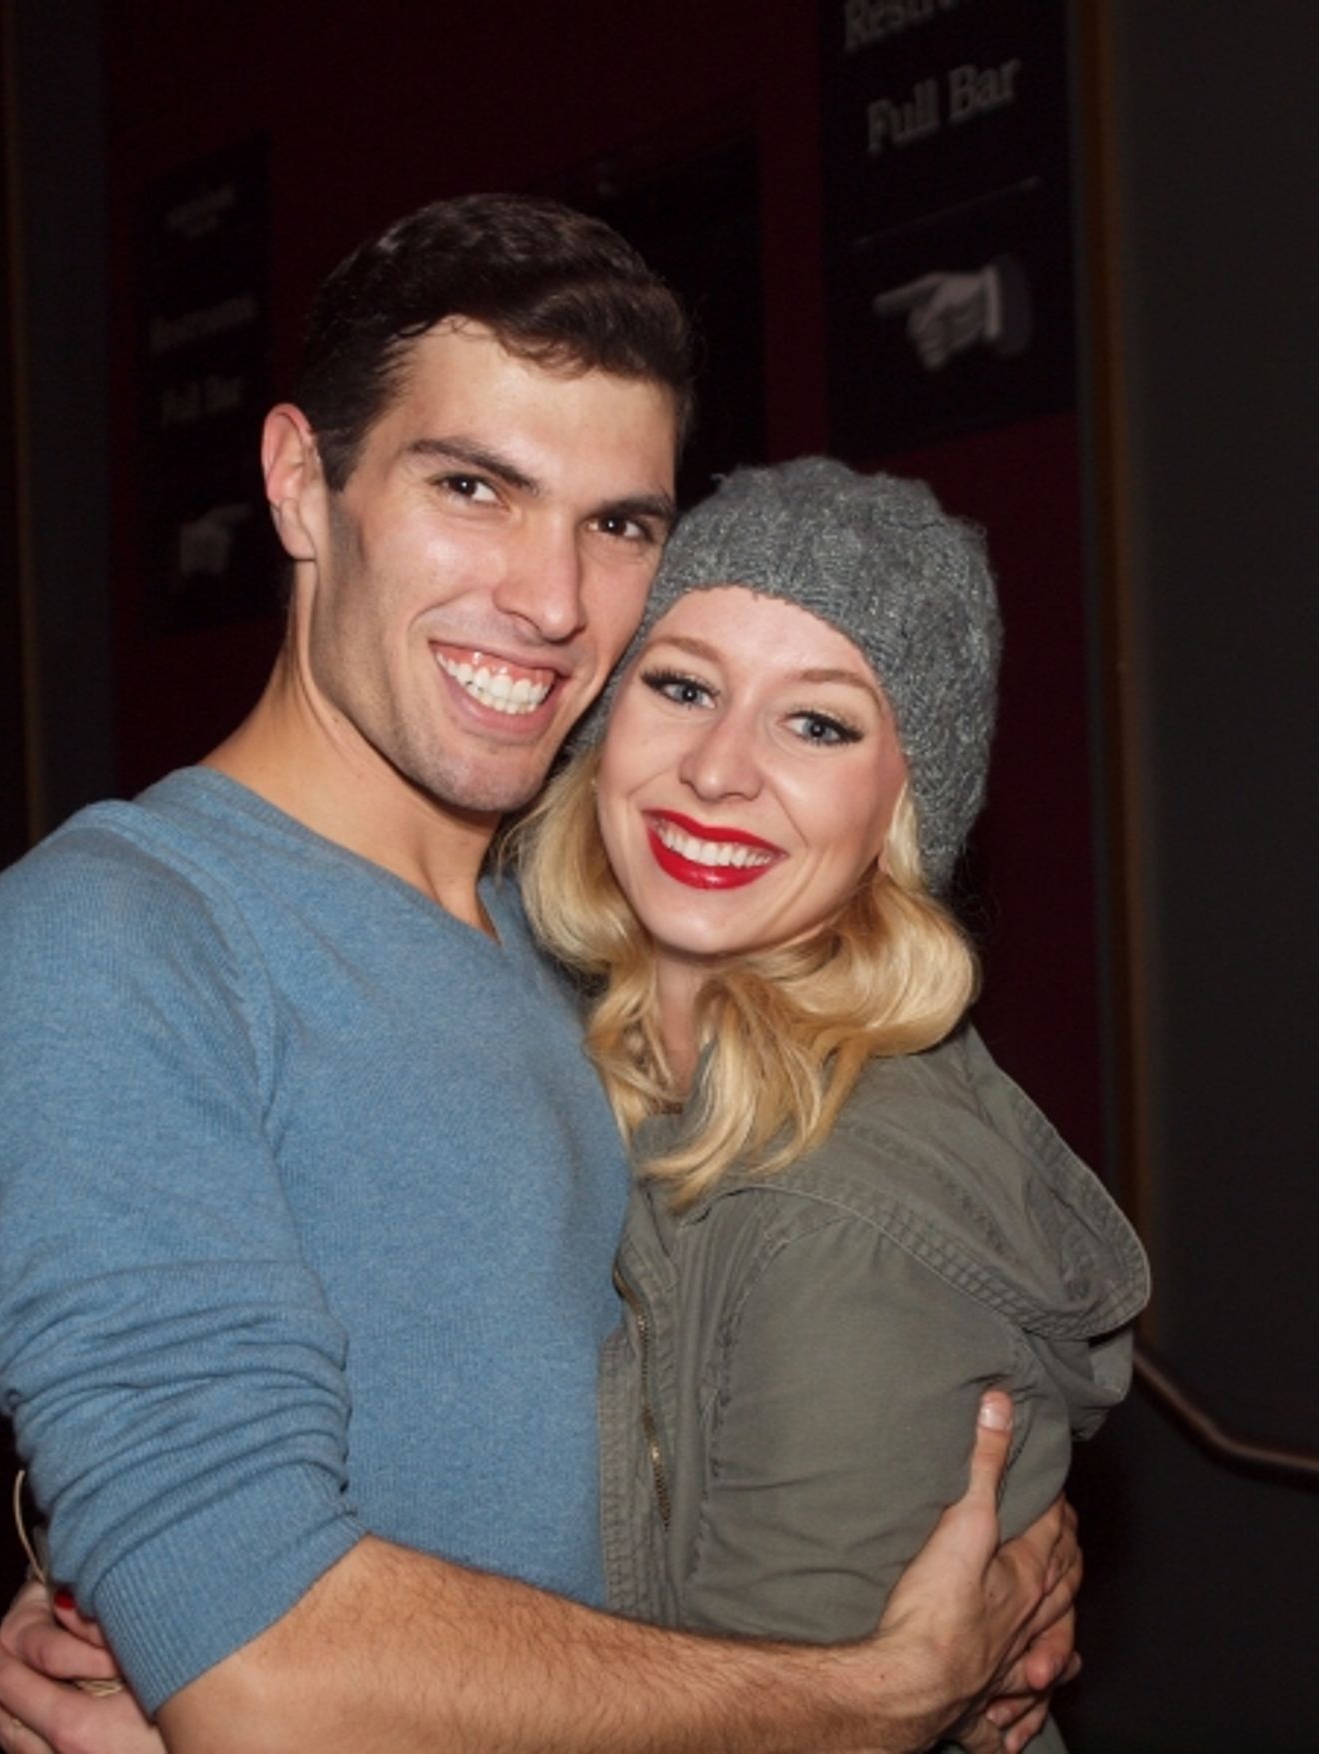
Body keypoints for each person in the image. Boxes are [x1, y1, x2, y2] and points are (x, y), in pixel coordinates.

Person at [0, 196, 1077, 1754]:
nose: (553, 601)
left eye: (619, 524)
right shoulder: (120, 935)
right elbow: (260, 1667)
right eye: (473, 486)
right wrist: (869, 1697)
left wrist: (1017, 1519)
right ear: (298, 483)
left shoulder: (602, 926)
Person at [511, 458, 1148, 1749]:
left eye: (820, 722)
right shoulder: (575, 1054)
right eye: (682, 686)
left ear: (900, 808)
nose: (719, 769)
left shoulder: (840, 1210)